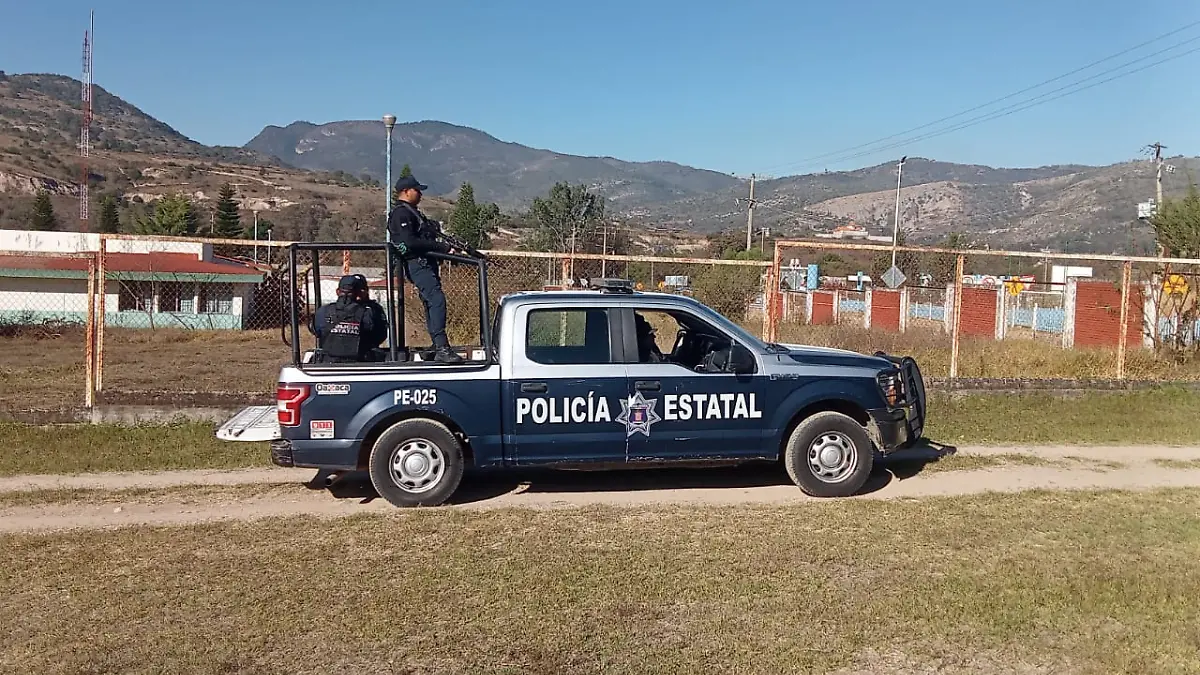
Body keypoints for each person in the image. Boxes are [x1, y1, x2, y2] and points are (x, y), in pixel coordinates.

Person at [386, 174, 463, 363]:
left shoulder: (411, 212)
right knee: (436, 301)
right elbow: (409, 242)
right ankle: (442, 347)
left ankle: (438, 345)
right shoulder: (401, 214)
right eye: (416, 190)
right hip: (417, 263)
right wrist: (442, 248)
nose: (420, 194)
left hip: (424, 263)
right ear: (405, 191)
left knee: (432, 302)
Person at [309, 274, 389, 363]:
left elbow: (316, 331)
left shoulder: (323, 311)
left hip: (328, 363)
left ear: (338, 292)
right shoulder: (368, 313)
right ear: (358, 293)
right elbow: (379, 335)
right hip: (361, 362)